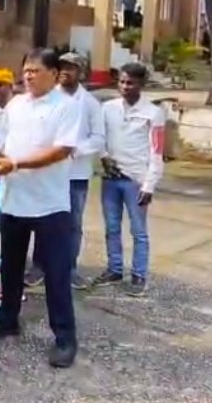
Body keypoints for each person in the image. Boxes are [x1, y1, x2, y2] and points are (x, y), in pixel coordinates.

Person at [0, 47, 83, 369]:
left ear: (53, 74)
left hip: (50, 204)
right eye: (25, 70)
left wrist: (16, 163)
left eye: (35, 71)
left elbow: (61, 151)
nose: (28, 76)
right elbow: (0, 142)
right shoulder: (15, 105)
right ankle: (7, 318)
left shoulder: (66, 106)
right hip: (14, 199)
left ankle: (64, 338)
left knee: (56, 272)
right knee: (10, 267)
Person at [92, 62, 166, 296]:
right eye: (122, 82)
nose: (124, 87)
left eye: (130, 83)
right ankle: (114, 269)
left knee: (138, 231)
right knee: (112, 227)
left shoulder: (153, 113)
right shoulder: (108, 108)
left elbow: (157, 152)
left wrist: (149, 185)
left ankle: (139, 275)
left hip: (137, 180)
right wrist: (104, 158)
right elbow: (99, 138)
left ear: (141, 84)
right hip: (112, 178)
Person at [53, 52, 105, 290]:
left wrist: (74, 150)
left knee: (73, 225)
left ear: (81, 72)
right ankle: (40, 267)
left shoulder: (91, 104)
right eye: (62, 67)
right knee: (44, 221)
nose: (65, 71)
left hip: (76, 175)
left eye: (71, 68)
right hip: (48, 172)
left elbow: (99, 138)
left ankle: (70, 269)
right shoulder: (48, 97)